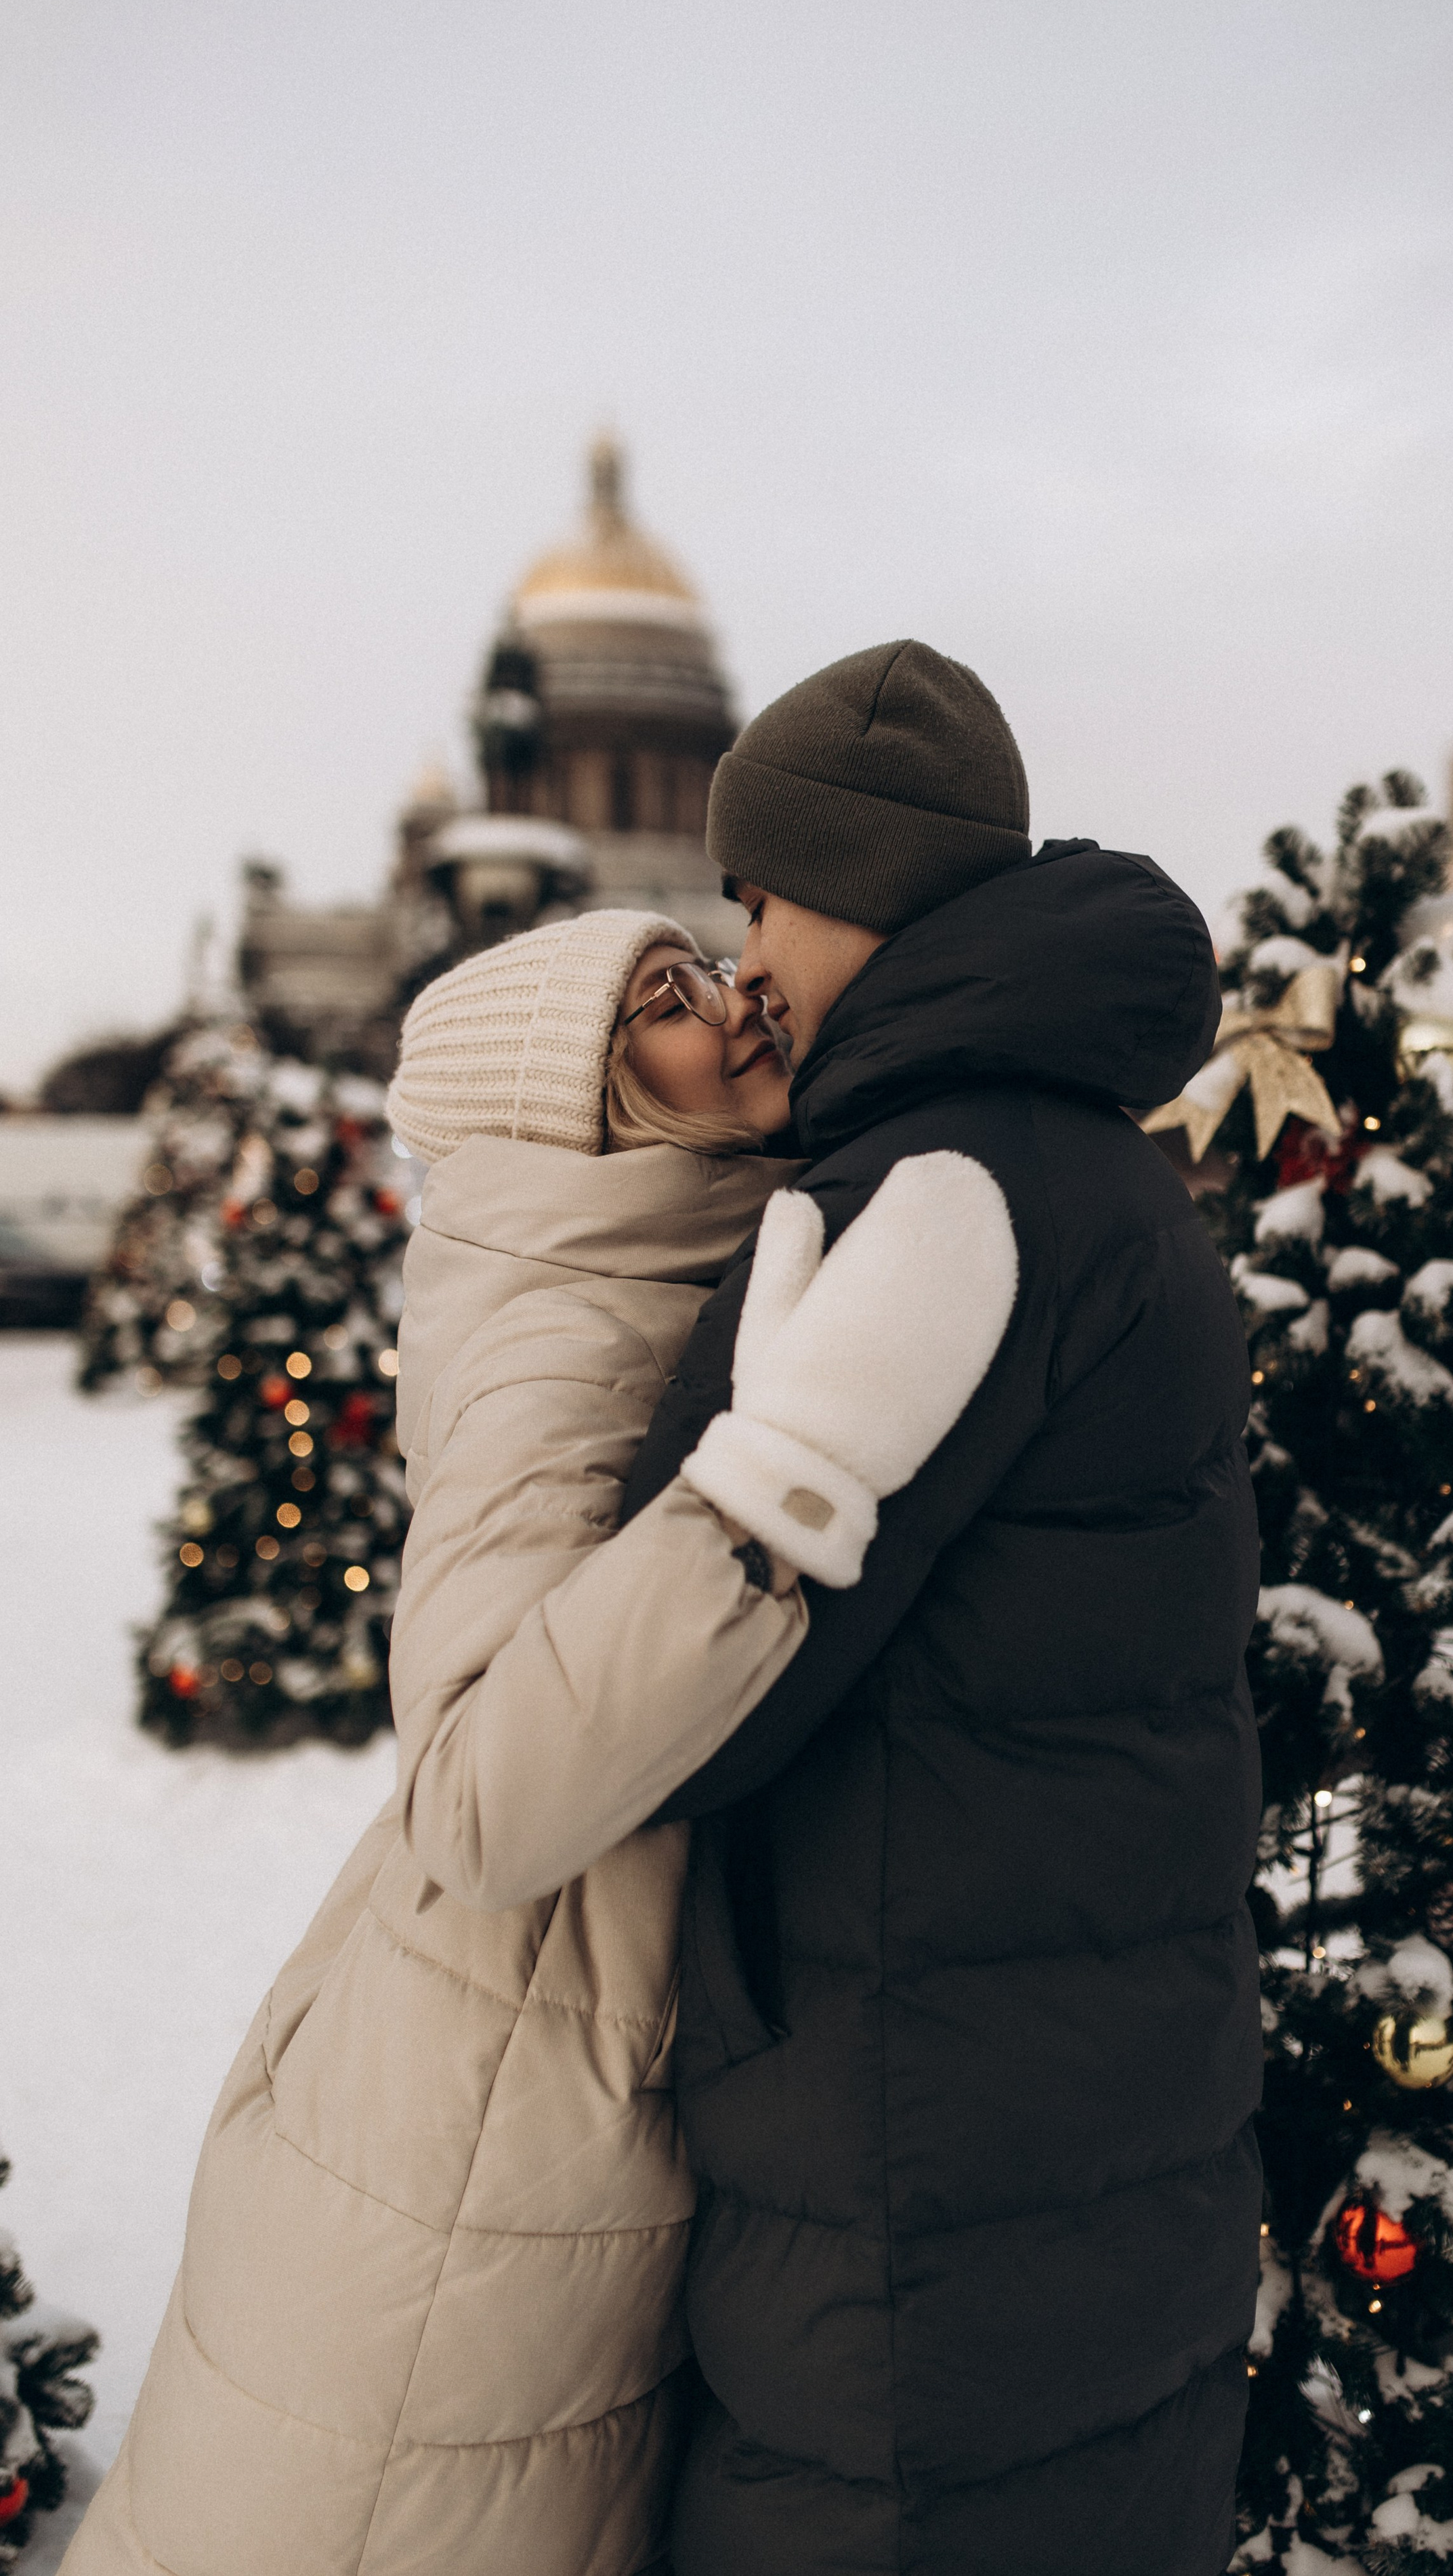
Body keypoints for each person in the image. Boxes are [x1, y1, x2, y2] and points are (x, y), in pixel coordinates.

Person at [66, 906, 1019, 2576]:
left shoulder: (648, 1259)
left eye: (709, 974)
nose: (731, 1010)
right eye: (665, 1003)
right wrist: (784, 1484)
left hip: (518, 2111)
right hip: (471, 2167)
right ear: (577, 1102)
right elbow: (476, 1791)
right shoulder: (557, 1328)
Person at [622, 640, 1265, 2576]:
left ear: (860, 889)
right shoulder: (1078, 1166)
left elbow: (691, 1679)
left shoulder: (934, 1193)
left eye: (761, 901)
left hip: (915, 2175)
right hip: (1041, 2124)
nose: (743, 966)